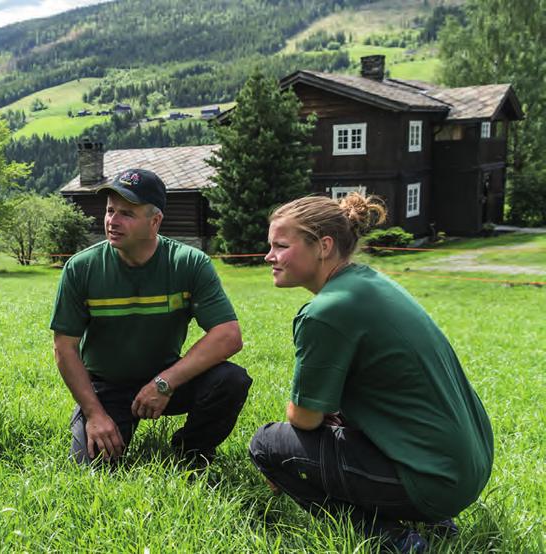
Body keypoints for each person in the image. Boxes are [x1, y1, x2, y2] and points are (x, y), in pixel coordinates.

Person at [249, 193, 493, 552]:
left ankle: (390, 537)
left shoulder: (327, 311)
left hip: (432, 480)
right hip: (465, 469)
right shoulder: (369, 283)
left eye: (281, 245)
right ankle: (436, 522)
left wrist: (291, 460)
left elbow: (303, 418)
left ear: (323, 246)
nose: (269, 256)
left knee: (268, 445)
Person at [50, 168, 251, 467]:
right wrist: (93, 413)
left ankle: (191, 450)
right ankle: (102, 420)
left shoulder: (188, 263)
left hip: (166, 378)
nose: (112, 221)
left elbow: (228, 335)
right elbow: (64, 348)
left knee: (232, 380)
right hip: (106, 387)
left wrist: (165, 382)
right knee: (93, 467)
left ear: (155, 221)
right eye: (109, 211)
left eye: (126, 214)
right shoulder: (81, 268)